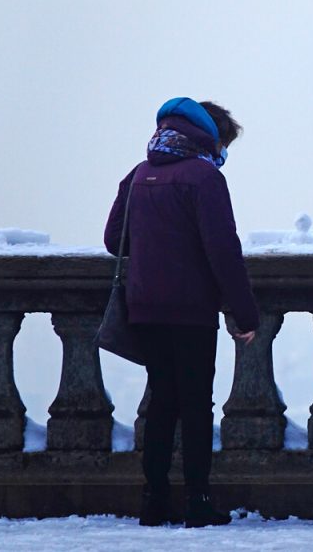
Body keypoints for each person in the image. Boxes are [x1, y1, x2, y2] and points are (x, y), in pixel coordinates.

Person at [104, 97, 259, 528]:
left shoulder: (138, 175)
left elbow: (114, 239)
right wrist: (245, 314)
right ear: (210, 137)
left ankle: (153, 502)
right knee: (195, 405)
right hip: (191, 310)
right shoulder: (203, 178)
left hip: (145, 307)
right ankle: (197, 500)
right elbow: (224, 252)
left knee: (160, 403)